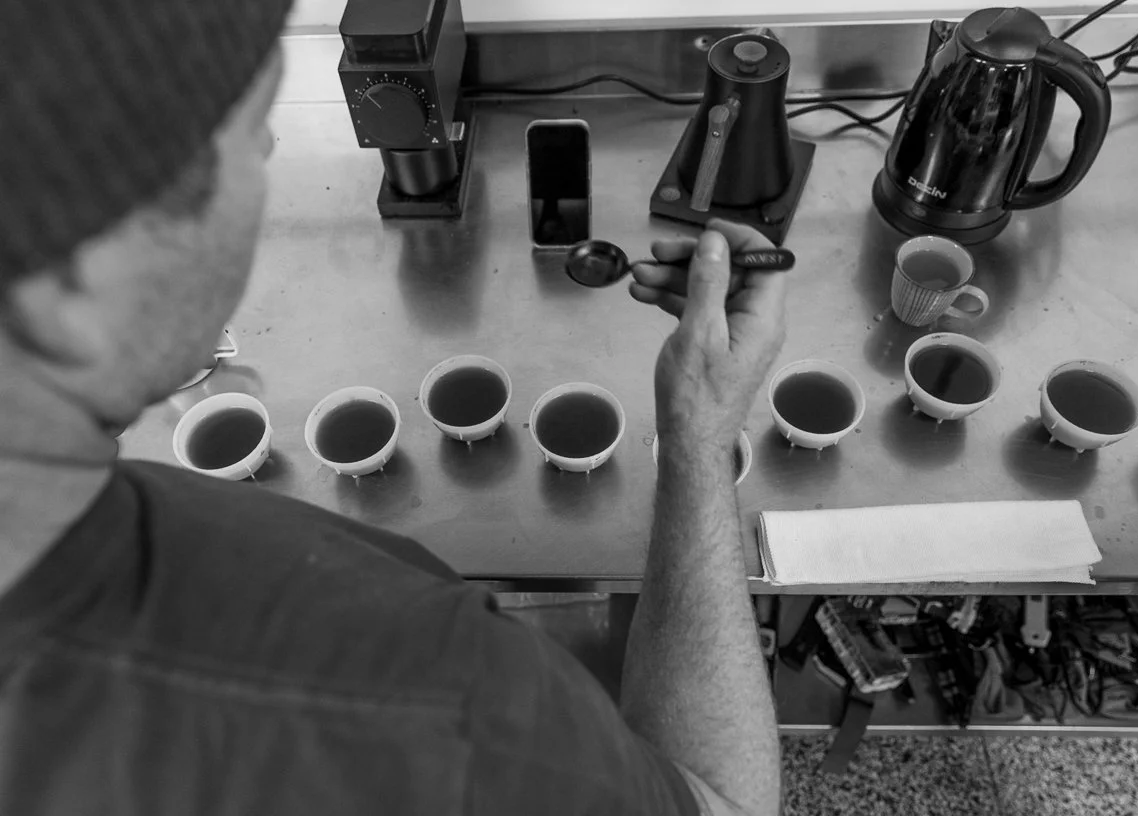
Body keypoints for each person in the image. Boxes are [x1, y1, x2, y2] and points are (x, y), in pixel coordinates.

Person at [0, 2, 787, 814]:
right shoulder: (434, 704)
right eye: (246, 128)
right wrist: (698, 432)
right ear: (72, 285)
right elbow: (728, 806)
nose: (272, 146)